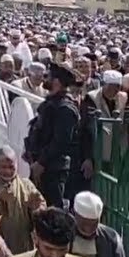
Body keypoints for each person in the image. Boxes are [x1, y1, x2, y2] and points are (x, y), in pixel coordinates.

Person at [30, 64, 82, 210]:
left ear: (57, 82)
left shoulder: (65, 109)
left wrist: (41, 162)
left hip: (53, 170)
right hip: (41, 166)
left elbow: (60, 143)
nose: (45, 78)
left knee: (52, 211)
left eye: (49, 76)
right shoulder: (51, 103)